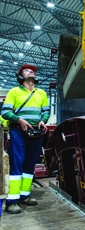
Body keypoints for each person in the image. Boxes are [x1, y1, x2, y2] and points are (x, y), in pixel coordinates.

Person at [1, 64, 50, 214]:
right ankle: (12, 201)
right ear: (21, 76)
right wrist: (19, 120)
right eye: (27, 70)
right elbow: (5, 112)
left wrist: (43, 120)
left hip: (36, 132)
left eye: (33, 71)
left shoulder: (41, 93)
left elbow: (46, 111)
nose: (31, 72)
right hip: (18, 132)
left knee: (29, 165)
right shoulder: (14, 92)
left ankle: (24, 195)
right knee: (17, 164)